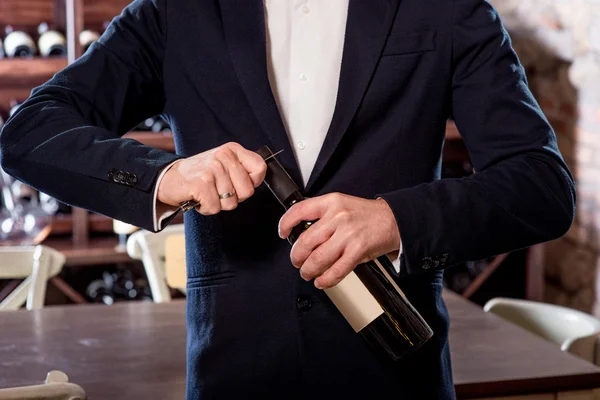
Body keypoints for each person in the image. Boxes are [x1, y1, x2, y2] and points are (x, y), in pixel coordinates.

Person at [0, 0, 575, 399]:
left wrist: (396, 219)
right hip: (234, 381)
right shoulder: (176, 14)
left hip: (394, 382)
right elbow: (30, 133)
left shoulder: (446, 10)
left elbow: (541, 185)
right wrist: (164, 176)